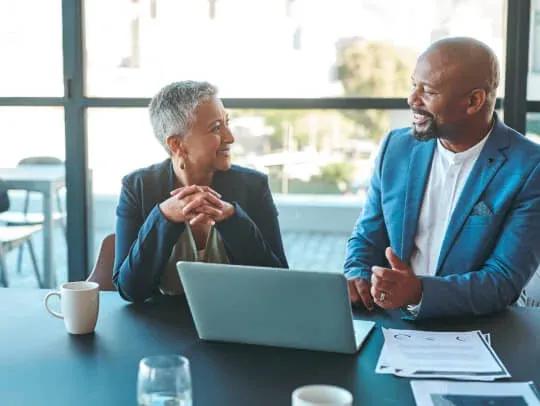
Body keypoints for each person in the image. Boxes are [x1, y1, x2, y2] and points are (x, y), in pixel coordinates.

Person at [344, 37, 540, 320]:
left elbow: (503, 281)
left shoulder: (529, 168)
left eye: (429, 91)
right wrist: (358, 274)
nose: (412, 99)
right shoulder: (396, 148)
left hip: (477, 330)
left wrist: (419, 292)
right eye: (414, 85)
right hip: (390, 319)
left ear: (473, 101)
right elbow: (367, 236)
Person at [114, 81, 288, 302]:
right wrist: (163, 218)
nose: (230, 137)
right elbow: (130, 291)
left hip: (241, 320)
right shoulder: (137, 187)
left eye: (227, 123)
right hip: (162, 328)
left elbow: (279, 280)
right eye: (216, 128)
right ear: (177, 145)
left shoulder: (253, 187)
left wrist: (232, 219)